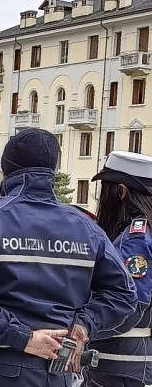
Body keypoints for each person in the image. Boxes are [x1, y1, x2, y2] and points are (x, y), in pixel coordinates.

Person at [0, 129, 138, 387]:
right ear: (52, 170)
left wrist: (22, 337)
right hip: (60, 370)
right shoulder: (86, 227)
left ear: (7, 170)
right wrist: (83, 327)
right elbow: (125, 294)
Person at [85, 151, 152, 387]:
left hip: (121, 365)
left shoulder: (136, 239)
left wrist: (81, 327)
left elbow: (130, 305)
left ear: (121, 192)